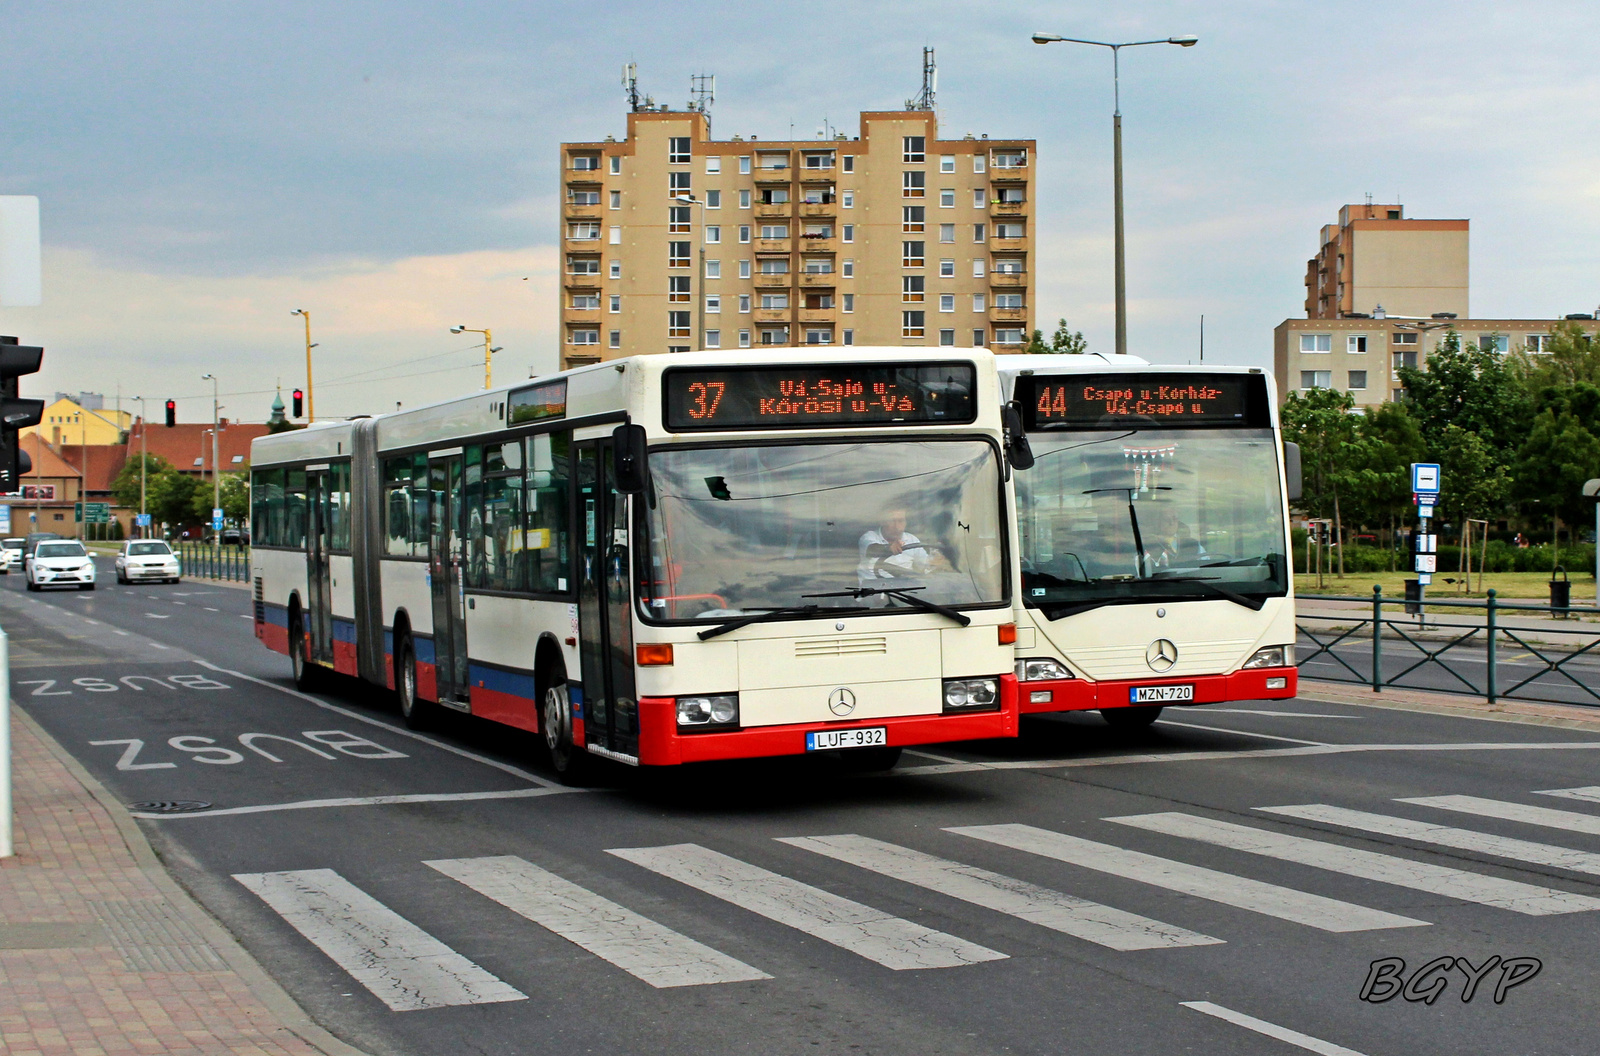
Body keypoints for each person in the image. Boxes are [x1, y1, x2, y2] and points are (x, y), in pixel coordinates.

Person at [858, 507, 935, 586]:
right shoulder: (869, 537)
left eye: (901, 521)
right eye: (892, 521)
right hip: (872, 592)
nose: (897, 526)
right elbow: (871, 549)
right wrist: (888, 548)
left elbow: (924, 566)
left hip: (906, 591)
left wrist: (936, 563)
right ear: (882, 522)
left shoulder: (912, 540)